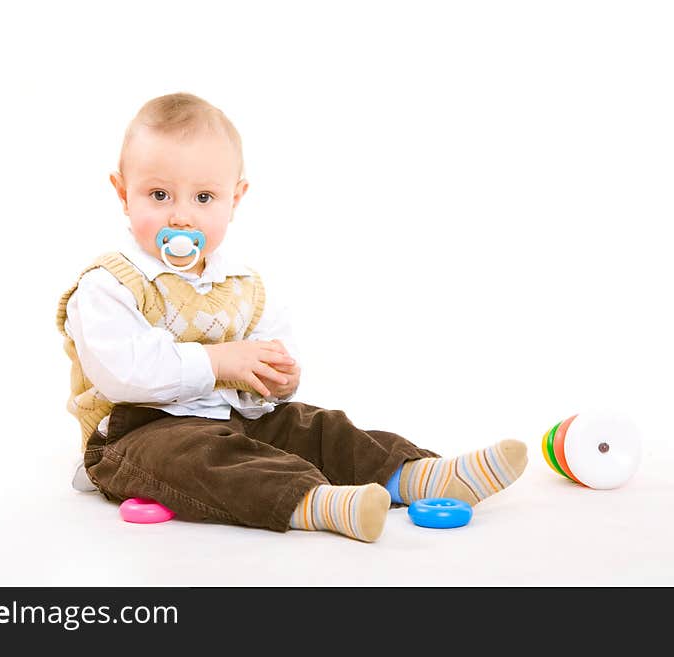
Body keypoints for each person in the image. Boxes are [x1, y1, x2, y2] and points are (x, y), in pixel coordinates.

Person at [56, 92, 528, 542]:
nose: (181, 216)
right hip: (134, 436)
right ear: (122, 192)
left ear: (234, 200)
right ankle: (316, 503)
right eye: (159, 195)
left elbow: (269, 355)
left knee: (313, 425)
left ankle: (415, 474)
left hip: (234, 417)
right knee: (199, 458)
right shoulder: (108, 284)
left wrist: (274, 379)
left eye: (204, 198)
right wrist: (220, 362)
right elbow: (125, 375)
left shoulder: (242, 285)